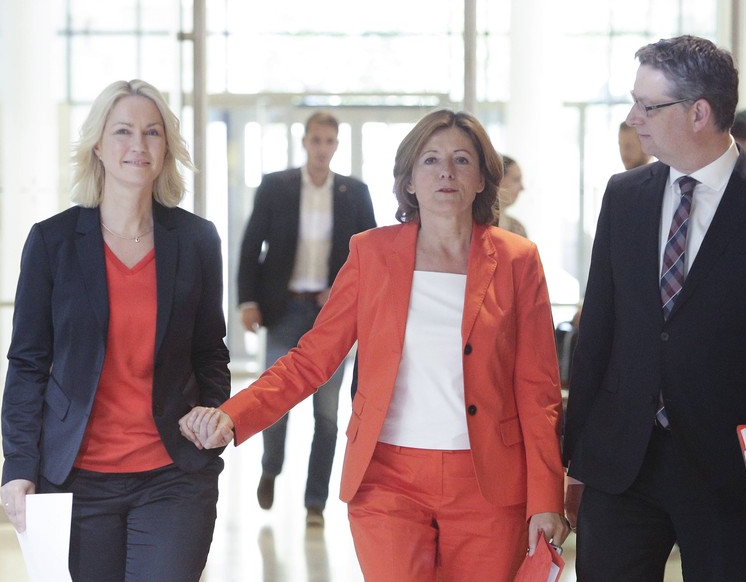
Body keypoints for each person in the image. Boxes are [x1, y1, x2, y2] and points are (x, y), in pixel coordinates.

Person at [182, 109, 569, 580]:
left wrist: (548, 498)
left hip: (490, 483)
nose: (445, 171)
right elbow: (311, 360)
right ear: (408, 180)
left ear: (484, 179)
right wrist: (234, 413)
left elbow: (538, 389)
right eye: (430, 160)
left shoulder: (517, 260)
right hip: (387, 480)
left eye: (461, 160)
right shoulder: (372, 253)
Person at [563, 35, 746, 582]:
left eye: (648, 105)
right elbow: (599, 334)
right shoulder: (623, 195)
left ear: (699, 112)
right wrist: (573, 457)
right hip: (621, 462)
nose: (634, 119)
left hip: (733, 472)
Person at [0, 79, 231, 581]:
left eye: (152, 132)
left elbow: (210, 351)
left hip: (174, 476)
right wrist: (18, 466)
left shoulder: (196, 240)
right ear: (98, 146)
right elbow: (28, 364)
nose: (137, 145)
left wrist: (214, 412)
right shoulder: (52, 242)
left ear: (166, 148)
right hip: (75, 481)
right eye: (122, 131)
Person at [237, 111, 376, 527]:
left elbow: (370, 255)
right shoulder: (276, 187)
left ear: (336, 145)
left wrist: (349, 293)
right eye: (316, 141)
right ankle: (271, 468)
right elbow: (250, 247)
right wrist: (247, 302)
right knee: (274, 402)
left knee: (327, 415)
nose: (322, 149)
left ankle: (315, 500)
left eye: (329, 141)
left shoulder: (355, 192)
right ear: (305, 142)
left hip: (330, 315)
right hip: (283, 309)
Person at [498, 154, 528, 237]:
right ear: (497, 181)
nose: (522, 188)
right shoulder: (471, 226)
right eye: (516, 180)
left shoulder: (517, 228)